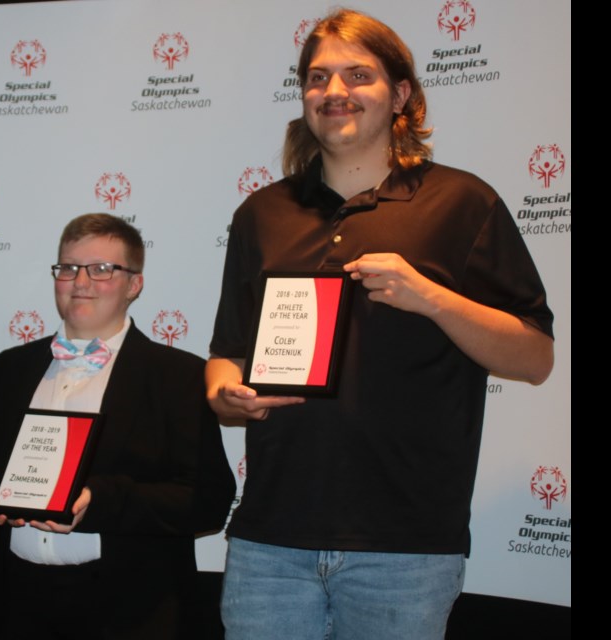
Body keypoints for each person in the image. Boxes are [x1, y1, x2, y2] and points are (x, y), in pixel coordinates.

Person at [206, 10, 554, 640]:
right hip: (269, 540)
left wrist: (432, 298)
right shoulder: (262, 213)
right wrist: (226, 395)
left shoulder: (462, 202)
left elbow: (534, 358)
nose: (334, 91)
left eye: (357, 74)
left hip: (406, 548)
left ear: (399, 95)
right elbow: (228, 351)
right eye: (318, 77)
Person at [0, 213, 235, 639]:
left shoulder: (178, 376)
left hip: (131, 611)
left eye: (102, 269)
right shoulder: (10, 369)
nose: (81, 282)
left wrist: (100, 499)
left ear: (134, 285)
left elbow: (207, 500)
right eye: (68, 268)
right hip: (18, 605)